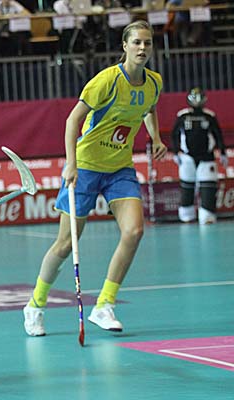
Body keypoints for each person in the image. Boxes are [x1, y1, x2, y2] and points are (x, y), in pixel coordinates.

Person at [23, 20, 168, 336]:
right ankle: (35, 304)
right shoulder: (106, 81)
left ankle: (104, 305)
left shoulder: (154, 82)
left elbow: (149, 108)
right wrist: (71, 163)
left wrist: (155, 137)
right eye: (137, 42)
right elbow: (72, 120)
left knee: (134, 231)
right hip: (86, 166)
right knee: (65, 244)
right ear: (125, 46)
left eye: (147, 43)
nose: (143, 48)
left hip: (120, 168)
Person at [171, 87, 228, 225]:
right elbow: (174, 135)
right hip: (187, 157)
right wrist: (175, 152)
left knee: (208, 186)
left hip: (206, 157)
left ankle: (207, 216)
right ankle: (186, 216)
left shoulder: (209, 116)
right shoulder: (182, 115)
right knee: (187, 186)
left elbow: (218, 135)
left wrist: (222, 152)